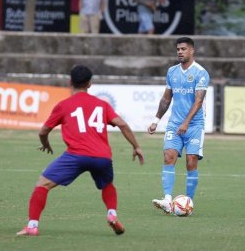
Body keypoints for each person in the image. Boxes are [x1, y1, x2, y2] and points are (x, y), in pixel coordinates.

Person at [16, 65, 145, 236]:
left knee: (42, 184)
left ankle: (32, 226)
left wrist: (45, 142)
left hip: (75, 155)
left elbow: (43, 131)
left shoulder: (63, 105)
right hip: (102, 157)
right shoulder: (102, 105)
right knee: (107, 185)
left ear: (70, 82)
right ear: (90, 84)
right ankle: (112, 214)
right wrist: (136, 146)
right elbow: (121, 124)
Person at [148, 37, 210, 214]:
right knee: (168, 156)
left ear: (192, 51)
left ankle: (188, 202)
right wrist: (156, 120)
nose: (180, 52)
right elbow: (167, 98)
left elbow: (198, 101)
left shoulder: (201, 73)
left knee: (191, 162)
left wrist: (186, 122)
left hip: (195, 125)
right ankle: (167, 200)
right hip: (175, 124)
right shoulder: (172, 72)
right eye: (178, 49)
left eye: (183, 49)